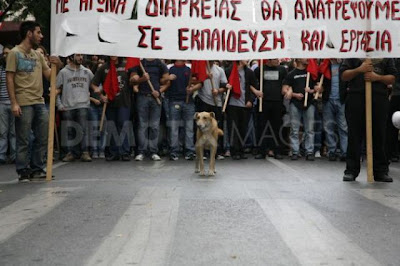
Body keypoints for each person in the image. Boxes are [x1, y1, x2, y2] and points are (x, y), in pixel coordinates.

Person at [6, 21, 62, 182]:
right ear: (29, 33)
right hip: (23, 101)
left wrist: (58, 64)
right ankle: (23, 170)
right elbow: (9, 78)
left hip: (39, 101)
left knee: (43, 136)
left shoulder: (38, 55)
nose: (41, 36)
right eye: (38, 32)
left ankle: (37, 168)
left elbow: (49, 75)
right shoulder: (14, 53)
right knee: (23, 138)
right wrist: (14, 103)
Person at [341, 58, 396, 182]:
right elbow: (344, 76)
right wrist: (359, 69)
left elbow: (392, 77)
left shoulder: (386, 55)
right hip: (356, 97)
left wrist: (377, 77)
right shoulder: (353, 53)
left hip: (379, 98)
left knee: (379, 135)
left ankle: (380, 171)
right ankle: (351, 170)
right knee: (354, 135)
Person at [92, 56, 132, 161]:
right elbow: (93, 84)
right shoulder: (104, 68)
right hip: (109, 103)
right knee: (112, 126)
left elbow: (133, 81)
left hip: (124, 102)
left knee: (123, 125)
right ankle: (114, 152)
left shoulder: (126, 66)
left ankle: (125, 152)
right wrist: (101, 96)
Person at [129, 58, 169, 161]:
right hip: (142, 97)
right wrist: (142, 79)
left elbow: (166, 81)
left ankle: (153, 151)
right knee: (142, 125)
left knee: (154, 126)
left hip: (156, 98)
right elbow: (132, 80)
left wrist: (159, 92)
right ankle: (141, 151)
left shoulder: (160, 63)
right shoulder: (138, 62)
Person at [56, 54, 93, 162]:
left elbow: (95, 84)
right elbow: (56, 89)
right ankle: (70, 153)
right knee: (68, 131)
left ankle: (84, 152)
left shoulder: (87, 72)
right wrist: (59, 104)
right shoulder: (63, 72)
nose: (81, 57)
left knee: (82, 130)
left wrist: (93, 95)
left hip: (83, 104)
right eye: (78, 55)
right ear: (71, 57)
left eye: (81, 55)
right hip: (67, 105)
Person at [282, 58, 317, 161]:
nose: (307, 59)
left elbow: (318, 88)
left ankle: (309, 151)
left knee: (309, 129)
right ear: (298, 59)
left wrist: (311, 90)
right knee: (294, 129)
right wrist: (294, 94)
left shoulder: (311, 72)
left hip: (309, 103)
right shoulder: (291, 74)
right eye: (304, 57)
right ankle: (295, 151)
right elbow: (284, 90)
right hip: (295, 104)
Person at [165, 60, 200, 160]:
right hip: (174, 101)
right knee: (174, 128)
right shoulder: (170, 69)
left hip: (188, 102)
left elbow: (198, 81)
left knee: (189, 127)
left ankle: (189, 150)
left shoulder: (189, 70)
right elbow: (162, 80)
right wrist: (168, 78)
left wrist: (192, 88)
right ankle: (174, 150)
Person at [254, 59, 287, 160]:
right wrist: (257, 92)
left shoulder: (282, 70)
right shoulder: (259, 70)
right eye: (275, 59)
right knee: (262, 127)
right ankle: (261, 150)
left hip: (277, 102)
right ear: (269, 59)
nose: (278, 60)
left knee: (276, 127)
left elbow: (285, 83)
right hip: (263, 102)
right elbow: (254, 83)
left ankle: (277, 150)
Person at [317, 59, 348, 162]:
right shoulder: (325, 66)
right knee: (328, 127)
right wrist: (319, 88)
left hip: (341, 100)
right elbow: (319, 82)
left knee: (343, 127)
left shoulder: (345, 66)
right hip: (328, 100)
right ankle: (332, 151)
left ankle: (345, 152)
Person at [196, 60, 228, 160]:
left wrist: (218, 91)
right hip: (203, 100)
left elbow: (224, 86)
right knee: (203, 127)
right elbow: (195, 81)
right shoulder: (200, 69)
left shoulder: (220, 70)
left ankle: (217, 151)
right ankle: (204, 151)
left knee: (216, 127)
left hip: (216, 102)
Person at [225, 60, 257, 160]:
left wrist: (250, 100)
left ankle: (241, 149)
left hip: (245, 103)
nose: (247, 60)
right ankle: (234, 150)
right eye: (245, 58)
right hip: (232, 104)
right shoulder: (229, 71)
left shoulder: (249, 72)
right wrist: (225, 86)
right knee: (233, 128)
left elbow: (254, 87)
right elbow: (222, 84)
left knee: (243, 128)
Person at [0, 44, 16, 164]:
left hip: (13, 103)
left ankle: (14, 155)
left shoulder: (16, 68)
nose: (5, 56)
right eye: (4, 53)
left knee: (14, 131)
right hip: (2, 102)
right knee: (3, 131)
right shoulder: (0, 69)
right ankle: (2, 154)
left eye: (8, 53)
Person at [386, 58, 400, 163]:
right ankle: (391, 153)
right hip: (395, 94)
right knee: (391, 125)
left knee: (391, 126)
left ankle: (391, 153)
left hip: (395, 94)